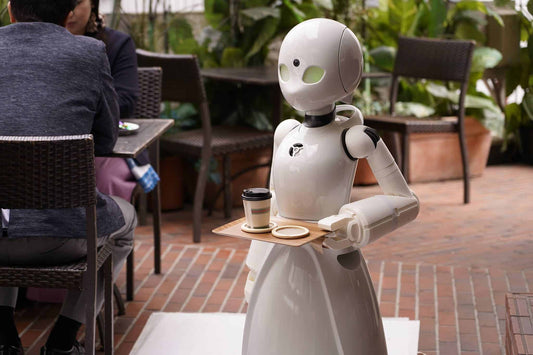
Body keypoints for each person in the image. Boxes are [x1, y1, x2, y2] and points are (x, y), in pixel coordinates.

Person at [0, 1, 136, 354]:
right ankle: (63, 340)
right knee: (127, 222)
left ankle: (3, 335)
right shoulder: (90, 52)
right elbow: (105, 140)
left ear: (11, 11)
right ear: (67, 16)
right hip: (61, 237)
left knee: (8, 206)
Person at [66, 0, 144, 202]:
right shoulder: (40, 46)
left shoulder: (116, 43)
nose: (70, 10)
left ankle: (105, 232)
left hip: (109, 144)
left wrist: (76, 111)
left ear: (93, 4)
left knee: (103, 179)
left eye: (76, 2)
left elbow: (127, 99)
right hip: (55, 145)